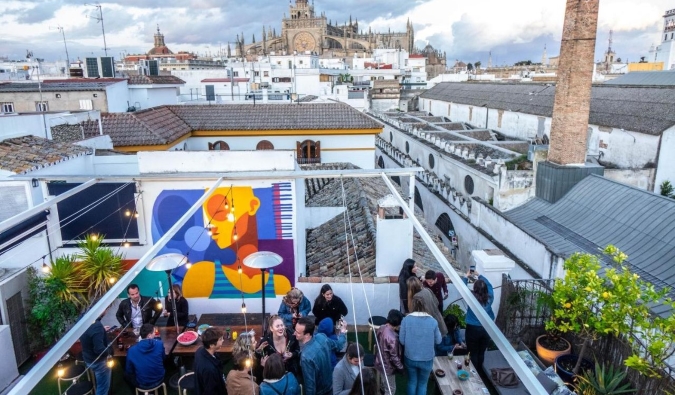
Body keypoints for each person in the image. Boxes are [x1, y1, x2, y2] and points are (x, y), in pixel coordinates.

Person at [294, 316, 347, 395]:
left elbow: (310, 386)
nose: (294, 333)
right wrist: (343, 332)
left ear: (307, 335)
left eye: (298, 332)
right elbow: (339, 345)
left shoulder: (305, 356)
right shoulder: (322, 337)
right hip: (331, 385)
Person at [399, 298, 442, 395]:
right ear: (426, 307)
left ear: (412, 306)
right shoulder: (433, 321)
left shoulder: (405, 320)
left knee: (412, 382)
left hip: (410, 357)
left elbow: (401, 340)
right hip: (427, 359)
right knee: (423, 384)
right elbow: (439, 341)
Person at [462, 271, 494, 369]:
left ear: (475, 289)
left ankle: (474, 371)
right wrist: (479, 274)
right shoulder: (490, 297)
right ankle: (480, 369)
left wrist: (465, 276)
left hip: (473, 329)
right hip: (487, 328)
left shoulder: (471, 298)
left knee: (472, 352)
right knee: (481, 351)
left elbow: (462, 287)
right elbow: (489, 284)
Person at [255, 314, 301, 379]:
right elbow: (258, 362)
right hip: (274, 376)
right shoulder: (265, 342)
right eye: (277, 326)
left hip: (291, 374)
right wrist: (259, 353)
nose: (281, 328)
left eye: (282, 325)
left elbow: (298, 351)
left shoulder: (292, 337)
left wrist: (292, 355)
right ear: (271, 328)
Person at [80, 307, 112, 395]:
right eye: (106, 309)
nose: (106, 311)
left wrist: (101, 330)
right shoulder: (96, 326)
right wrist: (110, 352)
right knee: (102, 388)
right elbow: (99, 350)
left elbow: (88, 333)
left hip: (88, 358)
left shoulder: (83, 318)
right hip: (99, 362)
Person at [125, 323, 166, 390]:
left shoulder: (131, 350)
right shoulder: (159, 344)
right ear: (149, 335)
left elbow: (129, 371)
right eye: (153, 333)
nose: (155, 334)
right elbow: (163, 358)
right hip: (159, 379)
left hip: (142, 383)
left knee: (126, 375)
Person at [374, 309, 404, 395]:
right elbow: (394, 357)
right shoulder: (393, 338)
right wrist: (401, 368)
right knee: (391, 389)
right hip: (388, 367)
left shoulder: (381, 327)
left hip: (379, 361)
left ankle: (382, 390)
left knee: (384, 383)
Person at [193, 327, 226, 395]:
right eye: (220, 339)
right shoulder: (210, 369)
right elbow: (211, 391)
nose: (223, 340)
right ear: (211, 345)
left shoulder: (200, 350)